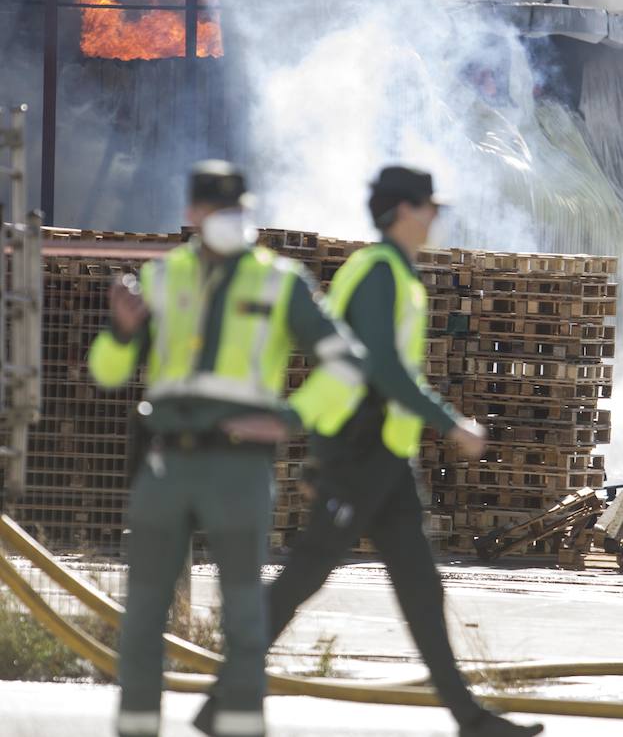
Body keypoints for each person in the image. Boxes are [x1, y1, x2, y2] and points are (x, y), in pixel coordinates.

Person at [88, 160, 366, 737]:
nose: (227, 219)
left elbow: (345, 368)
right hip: (166, 463)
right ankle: (136, 724)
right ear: (191, 213)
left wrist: (290, 417)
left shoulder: (280, 281)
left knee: (242, 612)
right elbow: (109, 372)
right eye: (216, 209)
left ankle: (240, 725)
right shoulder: (162, 279)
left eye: (237, 207)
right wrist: (119, 331)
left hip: (238, 466)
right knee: (142, 611)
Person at [268, 165, 544, 737]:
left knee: (420, 587)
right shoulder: (378, 274)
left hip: (383, 461)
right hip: (357, 453)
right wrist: (450, 423)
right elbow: (380, 369)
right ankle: (224, 688)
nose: (436, 217)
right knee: (305, 576)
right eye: (429, 206)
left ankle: (468, 717)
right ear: (403, 211)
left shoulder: (396, 273)